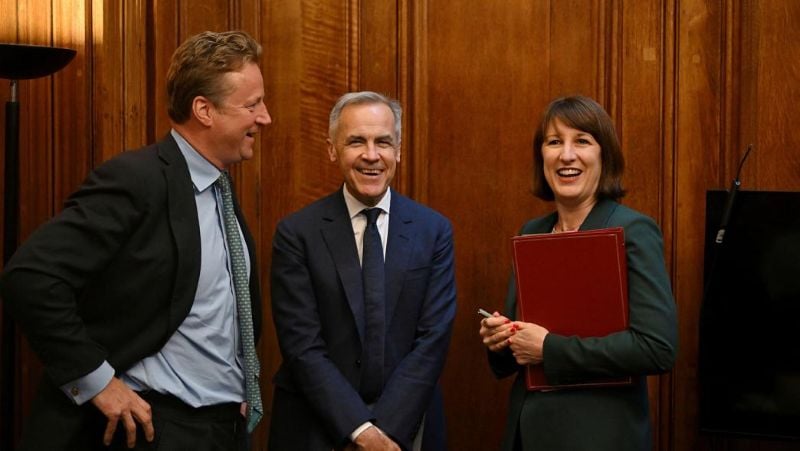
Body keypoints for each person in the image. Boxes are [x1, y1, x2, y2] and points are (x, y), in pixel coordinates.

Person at [0, 30, 271, 450]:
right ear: (204, 110)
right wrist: (98, 382)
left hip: (224, 426)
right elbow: (30, 276)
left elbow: (213, 305)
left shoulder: (220, 186)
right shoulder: (138, 179)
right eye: (252, 105)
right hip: (156, 428)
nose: (265, 117)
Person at [479, 95, 678, 450]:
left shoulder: (632, 230)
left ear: (605, 155)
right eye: (554, 142)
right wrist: (501, 340)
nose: (566, 155)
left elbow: (656, 348)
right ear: (542, 156)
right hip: (528, 434)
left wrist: (549, 349)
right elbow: (522, 347)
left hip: (600, 436)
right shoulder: (531, 233)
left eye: (582, 141)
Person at [268, 91, 456, 451]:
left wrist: (386, 432)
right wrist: (360, 431)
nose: (371, 155)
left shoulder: (434, 232)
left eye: (383, 142)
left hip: (408, 429)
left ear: (398, 150)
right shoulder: (297, 234)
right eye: (356, 141)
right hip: (316, 427)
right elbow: (301, 344)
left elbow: (433, 339)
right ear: (332, 149)